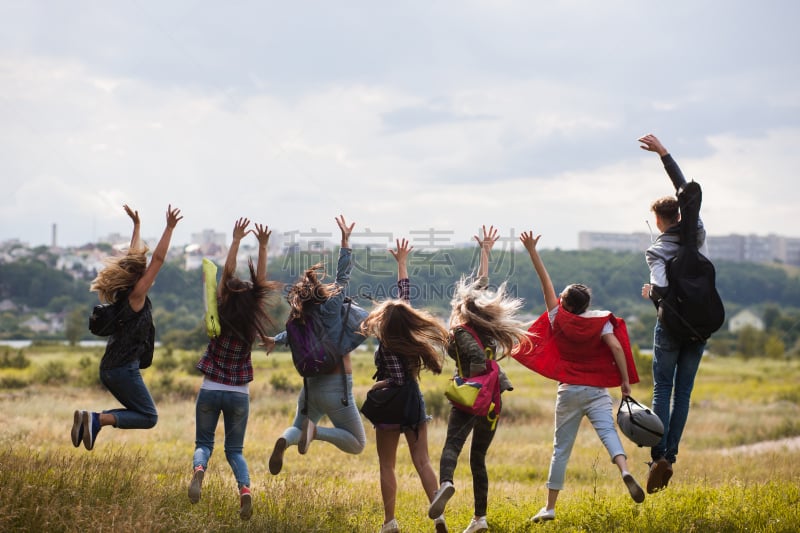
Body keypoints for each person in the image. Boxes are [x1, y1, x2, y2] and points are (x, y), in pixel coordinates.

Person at [517, 231, 645, 524]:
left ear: (567, 305)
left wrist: (533, 251)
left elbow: (544, 283)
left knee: (561, 448)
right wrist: (624, 381)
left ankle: (549, 507)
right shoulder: (600, 321)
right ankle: (624, 470)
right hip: (597, 391)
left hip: (569, 391)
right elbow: (614, 346)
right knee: (608, 433)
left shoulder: (557, 318)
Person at [428, 226, 529, 533]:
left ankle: (445, 483)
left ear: (460, 309)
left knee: (451, 448)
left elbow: (475, 360)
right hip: (494, 400)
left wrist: (471, 384)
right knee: (478, 459)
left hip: (473, 398)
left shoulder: (458, 332)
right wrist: (485, 252)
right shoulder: (486, 327)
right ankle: (479, 519)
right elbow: (480, 287)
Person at [188, 218, 280, 520]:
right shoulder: (251, 318)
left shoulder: (219, 311)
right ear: (250, 301)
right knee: (235, 451)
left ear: (226, 294)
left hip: (211, 388)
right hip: (239, 393)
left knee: (204, 444)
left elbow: (225, 273)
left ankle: (200, 469)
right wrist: (263, 246)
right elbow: (261, 281)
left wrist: (236, 240)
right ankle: (244, 491)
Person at [71, 204, 182, 450]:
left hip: (110, 368)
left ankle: (90, 420)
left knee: (139, 411)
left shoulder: (123, 296)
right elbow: (159, 259)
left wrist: (137, 226)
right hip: (123, 369)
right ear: (139, 277)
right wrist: (169, 228)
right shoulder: (136, 296)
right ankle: (96, 419)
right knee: (149, 417)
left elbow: (134, 259)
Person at [360, 238, 449, 533]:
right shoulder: (408, 334)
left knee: (388, 465)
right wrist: (402, 264)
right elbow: (404, 297)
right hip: (412, 400)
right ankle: (438, 516)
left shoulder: (385, 340)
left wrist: (375, 387)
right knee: (422, 461)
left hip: (390, 403)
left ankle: (390, 522)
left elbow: (394, 380)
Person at [266, 215, 367, 474]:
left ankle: (285, 439)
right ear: (319, 290)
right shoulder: (331, 308)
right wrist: (345, 241)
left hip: (310, 388)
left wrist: (273, 340)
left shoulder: (299, 318)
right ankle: (316, 432)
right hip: (337, 387)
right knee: (357, 443)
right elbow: (343, 278)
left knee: (296, 425)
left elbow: (290, 337)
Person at [639, 133, 709, 493]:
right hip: (700, 325)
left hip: (671, 328)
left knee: (661, 390)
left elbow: (662, 291)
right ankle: (673, 456)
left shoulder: (657, 251)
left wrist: (653, 294)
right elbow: (686, 190)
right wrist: (665, 154)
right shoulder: (696, 232)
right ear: (680, 214)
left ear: (659, 220)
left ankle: (658, 457)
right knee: (683, 394)